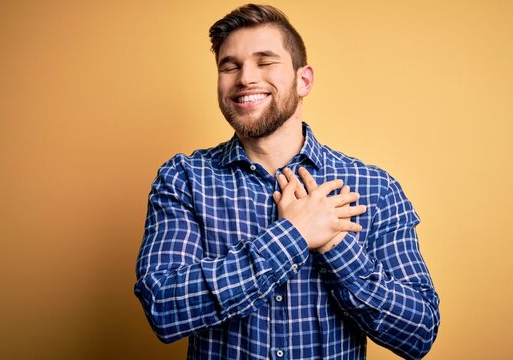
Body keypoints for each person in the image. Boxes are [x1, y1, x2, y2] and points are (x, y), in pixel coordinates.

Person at [134, 4, 440, 359]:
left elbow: (419, 333)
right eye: (230, 66)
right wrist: (294, 234)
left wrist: (335, 246)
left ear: (303, 79)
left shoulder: (375, 187)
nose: (245, 77)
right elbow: (163, 308)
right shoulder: (184, 179)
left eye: (265, 62)